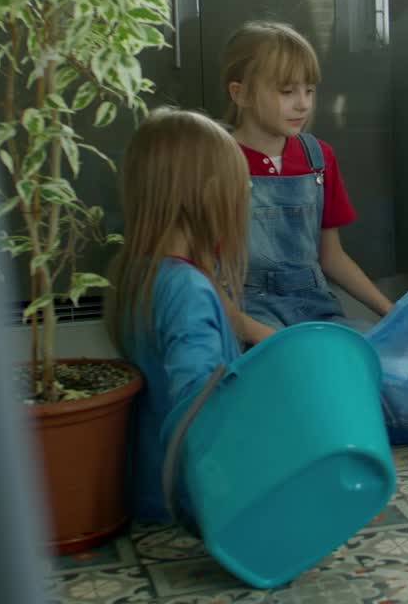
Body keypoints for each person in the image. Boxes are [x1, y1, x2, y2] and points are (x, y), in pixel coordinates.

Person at [105, 109, 250, 522]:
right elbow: (198, 405)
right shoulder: (188, 289)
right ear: (208, 195)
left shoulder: (135, 271)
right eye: (240, 188)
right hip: (193, 498)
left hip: (148, 486)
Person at [222, 21, 393, 344]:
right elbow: (203, 273)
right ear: (240, 93)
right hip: (249, 311)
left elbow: (331, 256)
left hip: (314, 306)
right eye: (287, 92)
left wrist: (391, 311)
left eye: (309, 90)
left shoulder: (319, 157)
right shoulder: (217, 161)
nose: (302, 104)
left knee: (370, 352)